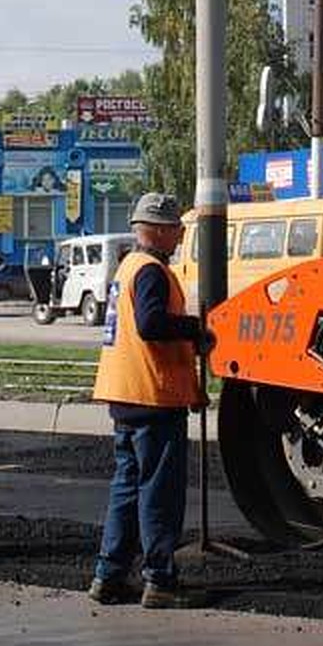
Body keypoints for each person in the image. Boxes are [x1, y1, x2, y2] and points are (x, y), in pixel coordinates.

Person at [88, 193, 208, 610]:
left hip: (126, 393)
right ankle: (159, 580)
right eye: (175, 227)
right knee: (159, 490)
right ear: (156, 229)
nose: (179, 234)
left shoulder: (128, 266)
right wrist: (196, 328)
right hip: (153, 395)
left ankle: (109, 574)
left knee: (126, 487)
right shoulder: (153, 271)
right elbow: (151, 324)